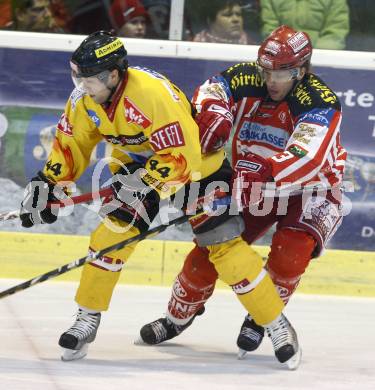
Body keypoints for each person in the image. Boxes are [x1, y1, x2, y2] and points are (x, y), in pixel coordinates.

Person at [19, 30, 300, 367]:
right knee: (112, 234)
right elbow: (72, 143)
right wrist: (49, 184)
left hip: (198, 167)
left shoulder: (151, 96)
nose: (80, 85)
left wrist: (143, 182)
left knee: (225, 248)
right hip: (141, 165)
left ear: (113, 74)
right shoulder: (85, 98)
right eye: (76, 75)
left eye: (88, 78)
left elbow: (182, 156)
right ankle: (87, 318)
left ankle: (275, 323)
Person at [140, 25, 346, 363]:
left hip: (313, 188)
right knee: (207, 257)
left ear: (303, 70)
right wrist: (213, 113)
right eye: (267, 71)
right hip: (253, 185)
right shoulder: (247, 77)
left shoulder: (319, 100)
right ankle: (177, 317)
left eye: (284, 73)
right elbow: (213, 89)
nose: (272, 81)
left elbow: (308, 157)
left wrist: (260, 174)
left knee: (290, 254)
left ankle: (261, 315)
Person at [260, 0, 349, 50]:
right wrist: (286, 53)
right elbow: (270, 29)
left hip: (321, 59)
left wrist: (316, 56)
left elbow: (335, 31)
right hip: (283, 58)